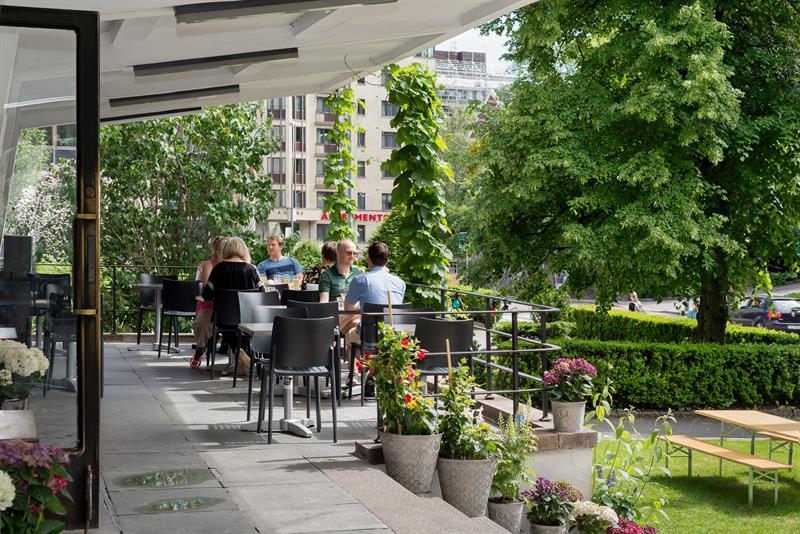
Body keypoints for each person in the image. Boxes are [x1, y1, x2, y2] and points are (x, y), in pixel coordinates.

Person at [193, 237, 264, 371]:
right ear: (243, 250)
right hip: (247, 318)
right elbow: (262, 293)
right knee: (240, 328)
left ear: (226, 250)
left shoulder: (218, 269)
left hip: (224, 317)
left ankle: (239, 352)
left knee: (226, 323)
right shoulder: (252, 269)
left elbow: (207, 295)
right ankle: (242, 354)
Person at [340, 241, 405, 336]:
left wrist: (363, 304)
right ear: (387, 261)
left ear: (369, 259)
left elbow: (348, 308)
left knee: (348, 334)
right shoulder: (400, 283)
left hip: (368, 336)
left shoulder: (360, 280)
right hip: (394, 336)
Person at [190, 236, 224, 368]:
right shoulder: (208, 265)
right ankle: (200, 349)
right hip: (210, 304)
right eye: (221, 249)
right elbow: (207, 289)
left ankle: (240, 354)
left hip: (228, 306)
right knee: (202, 323)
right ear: (215, 250)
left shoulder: (234, 264)